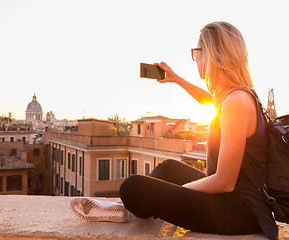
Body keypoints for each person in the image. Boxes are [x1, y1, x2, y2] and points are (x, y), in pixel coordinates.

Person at [119, 21, 278, 239]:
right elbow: (211, 101)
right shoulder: (236, 97)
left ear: (213, 54)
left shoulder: (236, 102)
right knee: (168, 169)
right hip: (237, 202)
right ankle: (134, 208)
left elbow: (224, 181)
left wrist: (179, 192)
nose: (196, 58)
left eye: (197, 51)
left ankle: (129, 209)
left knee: (133, 187)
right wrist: (177, 79)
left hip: (237, 211)